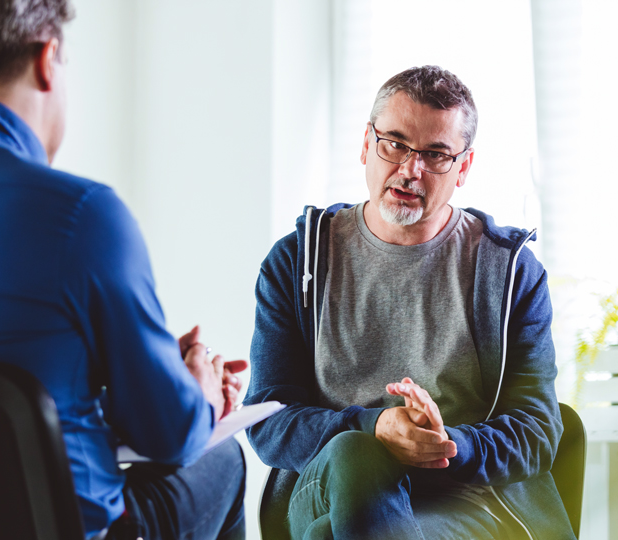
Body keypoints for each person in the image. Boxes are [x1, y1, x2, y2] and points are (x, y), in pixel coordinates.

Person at [0, 1, 246, 539]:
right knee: (224, 459)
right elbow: (170, 434)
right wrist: (200, 389)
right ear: (48, 60)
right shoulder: (82, 215)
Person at [244, 65, 574, 540]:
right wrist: (375, 427)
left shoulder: (509, 272)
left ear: (463, 168)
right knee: (357, 455)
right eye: (394, 143)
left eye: (436, 154)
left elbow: (537, 433)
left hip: (462, 498)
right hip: (330, 481)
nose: (410, 169)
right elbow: (271, 420)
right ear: (365, 144)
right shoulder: (297, 263)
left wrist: (446, 444)